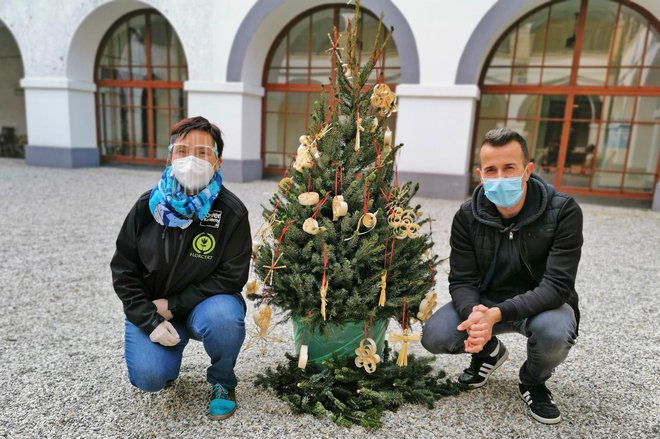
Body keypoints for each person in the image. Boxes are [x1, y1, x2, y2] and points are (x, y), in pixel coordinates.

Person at [421, 128, 582, 425]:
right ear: (481, 174)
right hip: (487, 301)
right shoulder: (467, 216)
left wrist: (497, 314)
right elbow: (462, 280)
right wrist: (476, 316)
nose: (500, 177)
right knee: (435, 336)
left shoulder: (563, 211)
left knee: (555, 332)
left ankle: (533, 381)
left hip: (541, 304)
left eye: (509, 168)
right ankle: (489, 353)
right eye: (491, 170)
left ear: (527, 170)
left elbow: (558, 285)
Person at [111, 116, 251, 420]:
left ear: (218, 161)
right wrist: (149, 321)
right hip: (154, 309)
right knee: (149, 378)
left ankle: (223, 381)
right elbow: (124, 270)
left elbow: (233, 275)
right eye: (183, 150)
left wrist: (174, 305)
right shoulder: (146, 208)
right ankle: (168, 358)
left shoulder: (231, 212)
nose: (191, 159)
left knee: (225, 319)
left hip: (205, 305)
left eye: (203, 152)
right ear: (169, 157)